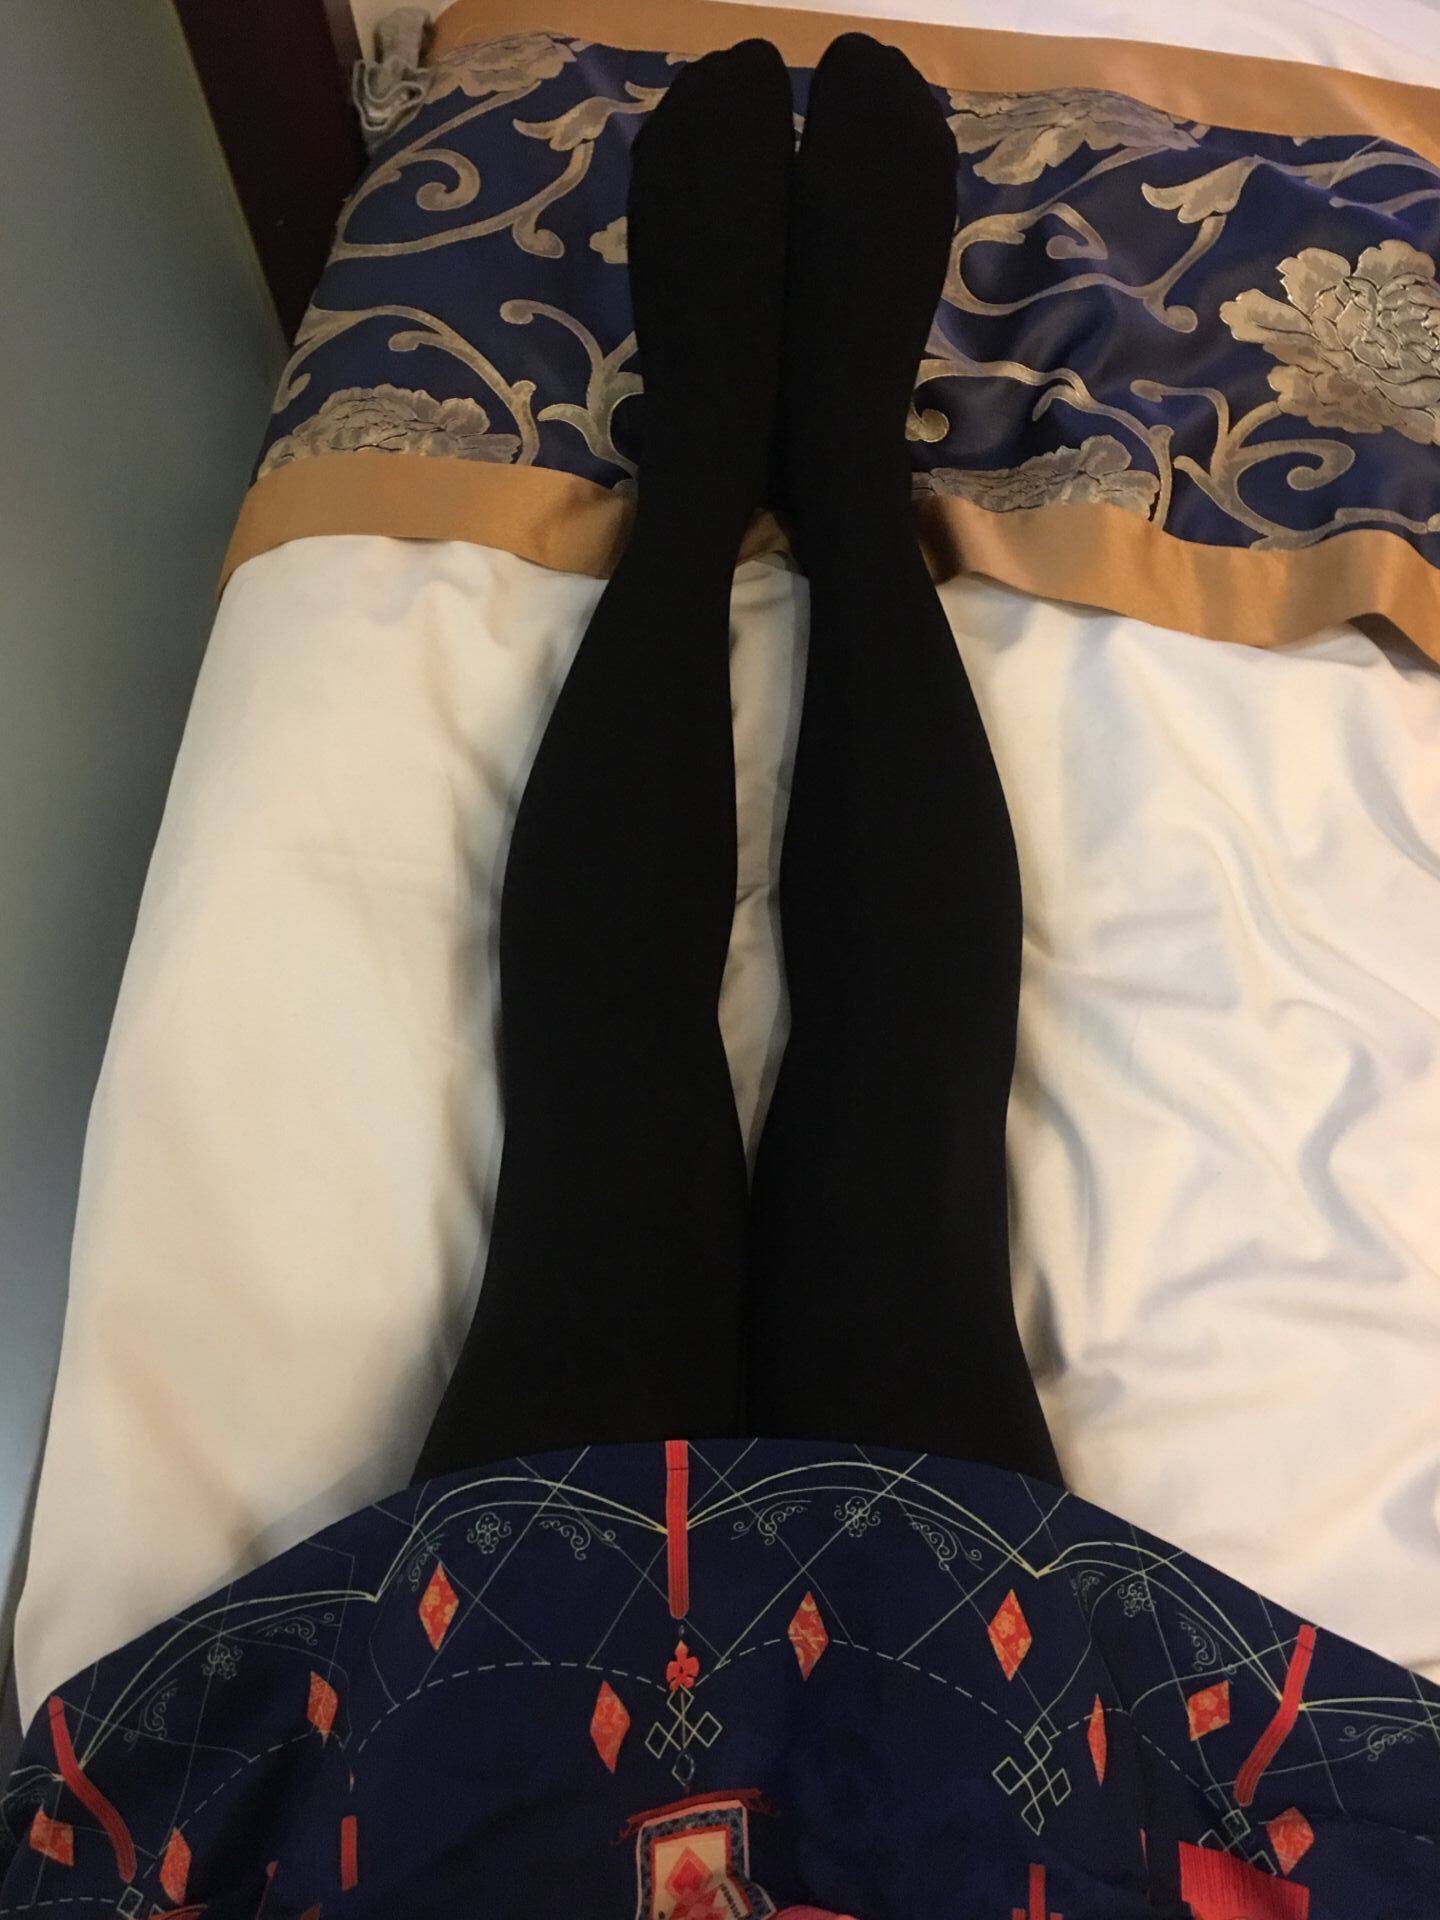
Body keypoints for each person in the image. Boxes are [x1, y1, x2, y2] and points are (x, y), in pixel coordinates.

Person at [2, 34, 1435, 1920]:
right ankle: (835, 476)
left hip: (493, 1779)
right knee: (893, 1152)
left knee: (616, 1138)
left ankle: (712, 483)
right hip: (964, 1784)